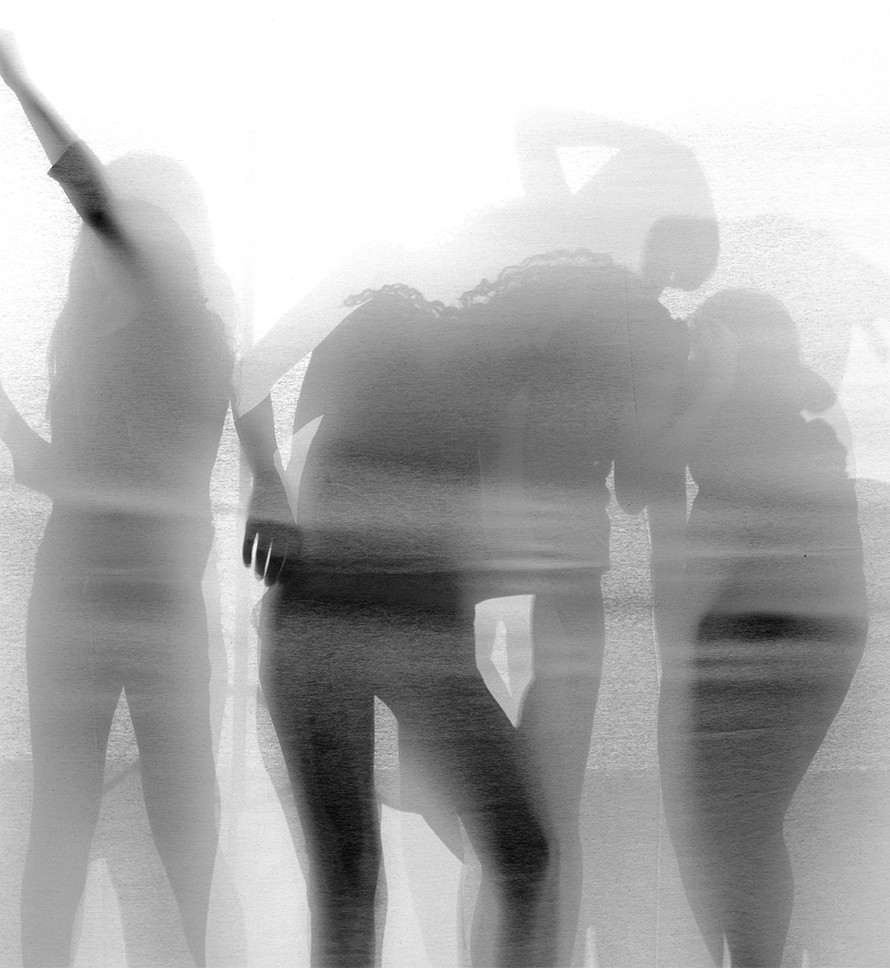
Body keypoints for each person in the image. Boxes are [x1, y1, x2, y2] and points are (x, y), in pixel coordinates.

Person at [0, 34, 232, 967]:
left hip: (114, 586)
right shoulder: (124, 336)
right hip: (128, 586)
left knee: (141, 812)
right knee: (119, 810)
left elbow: (88, 190)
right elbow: (57, 474)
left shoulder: (178, 318)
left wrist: (20, 80)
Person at [657, 289, 868, 967]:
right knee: (742, 823)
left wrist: (680, 655)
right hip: (807, 634)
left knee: (727, 821)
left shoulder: (753, 434)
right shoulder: (804, 432)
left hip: (764, 634)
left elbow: (663, 481)